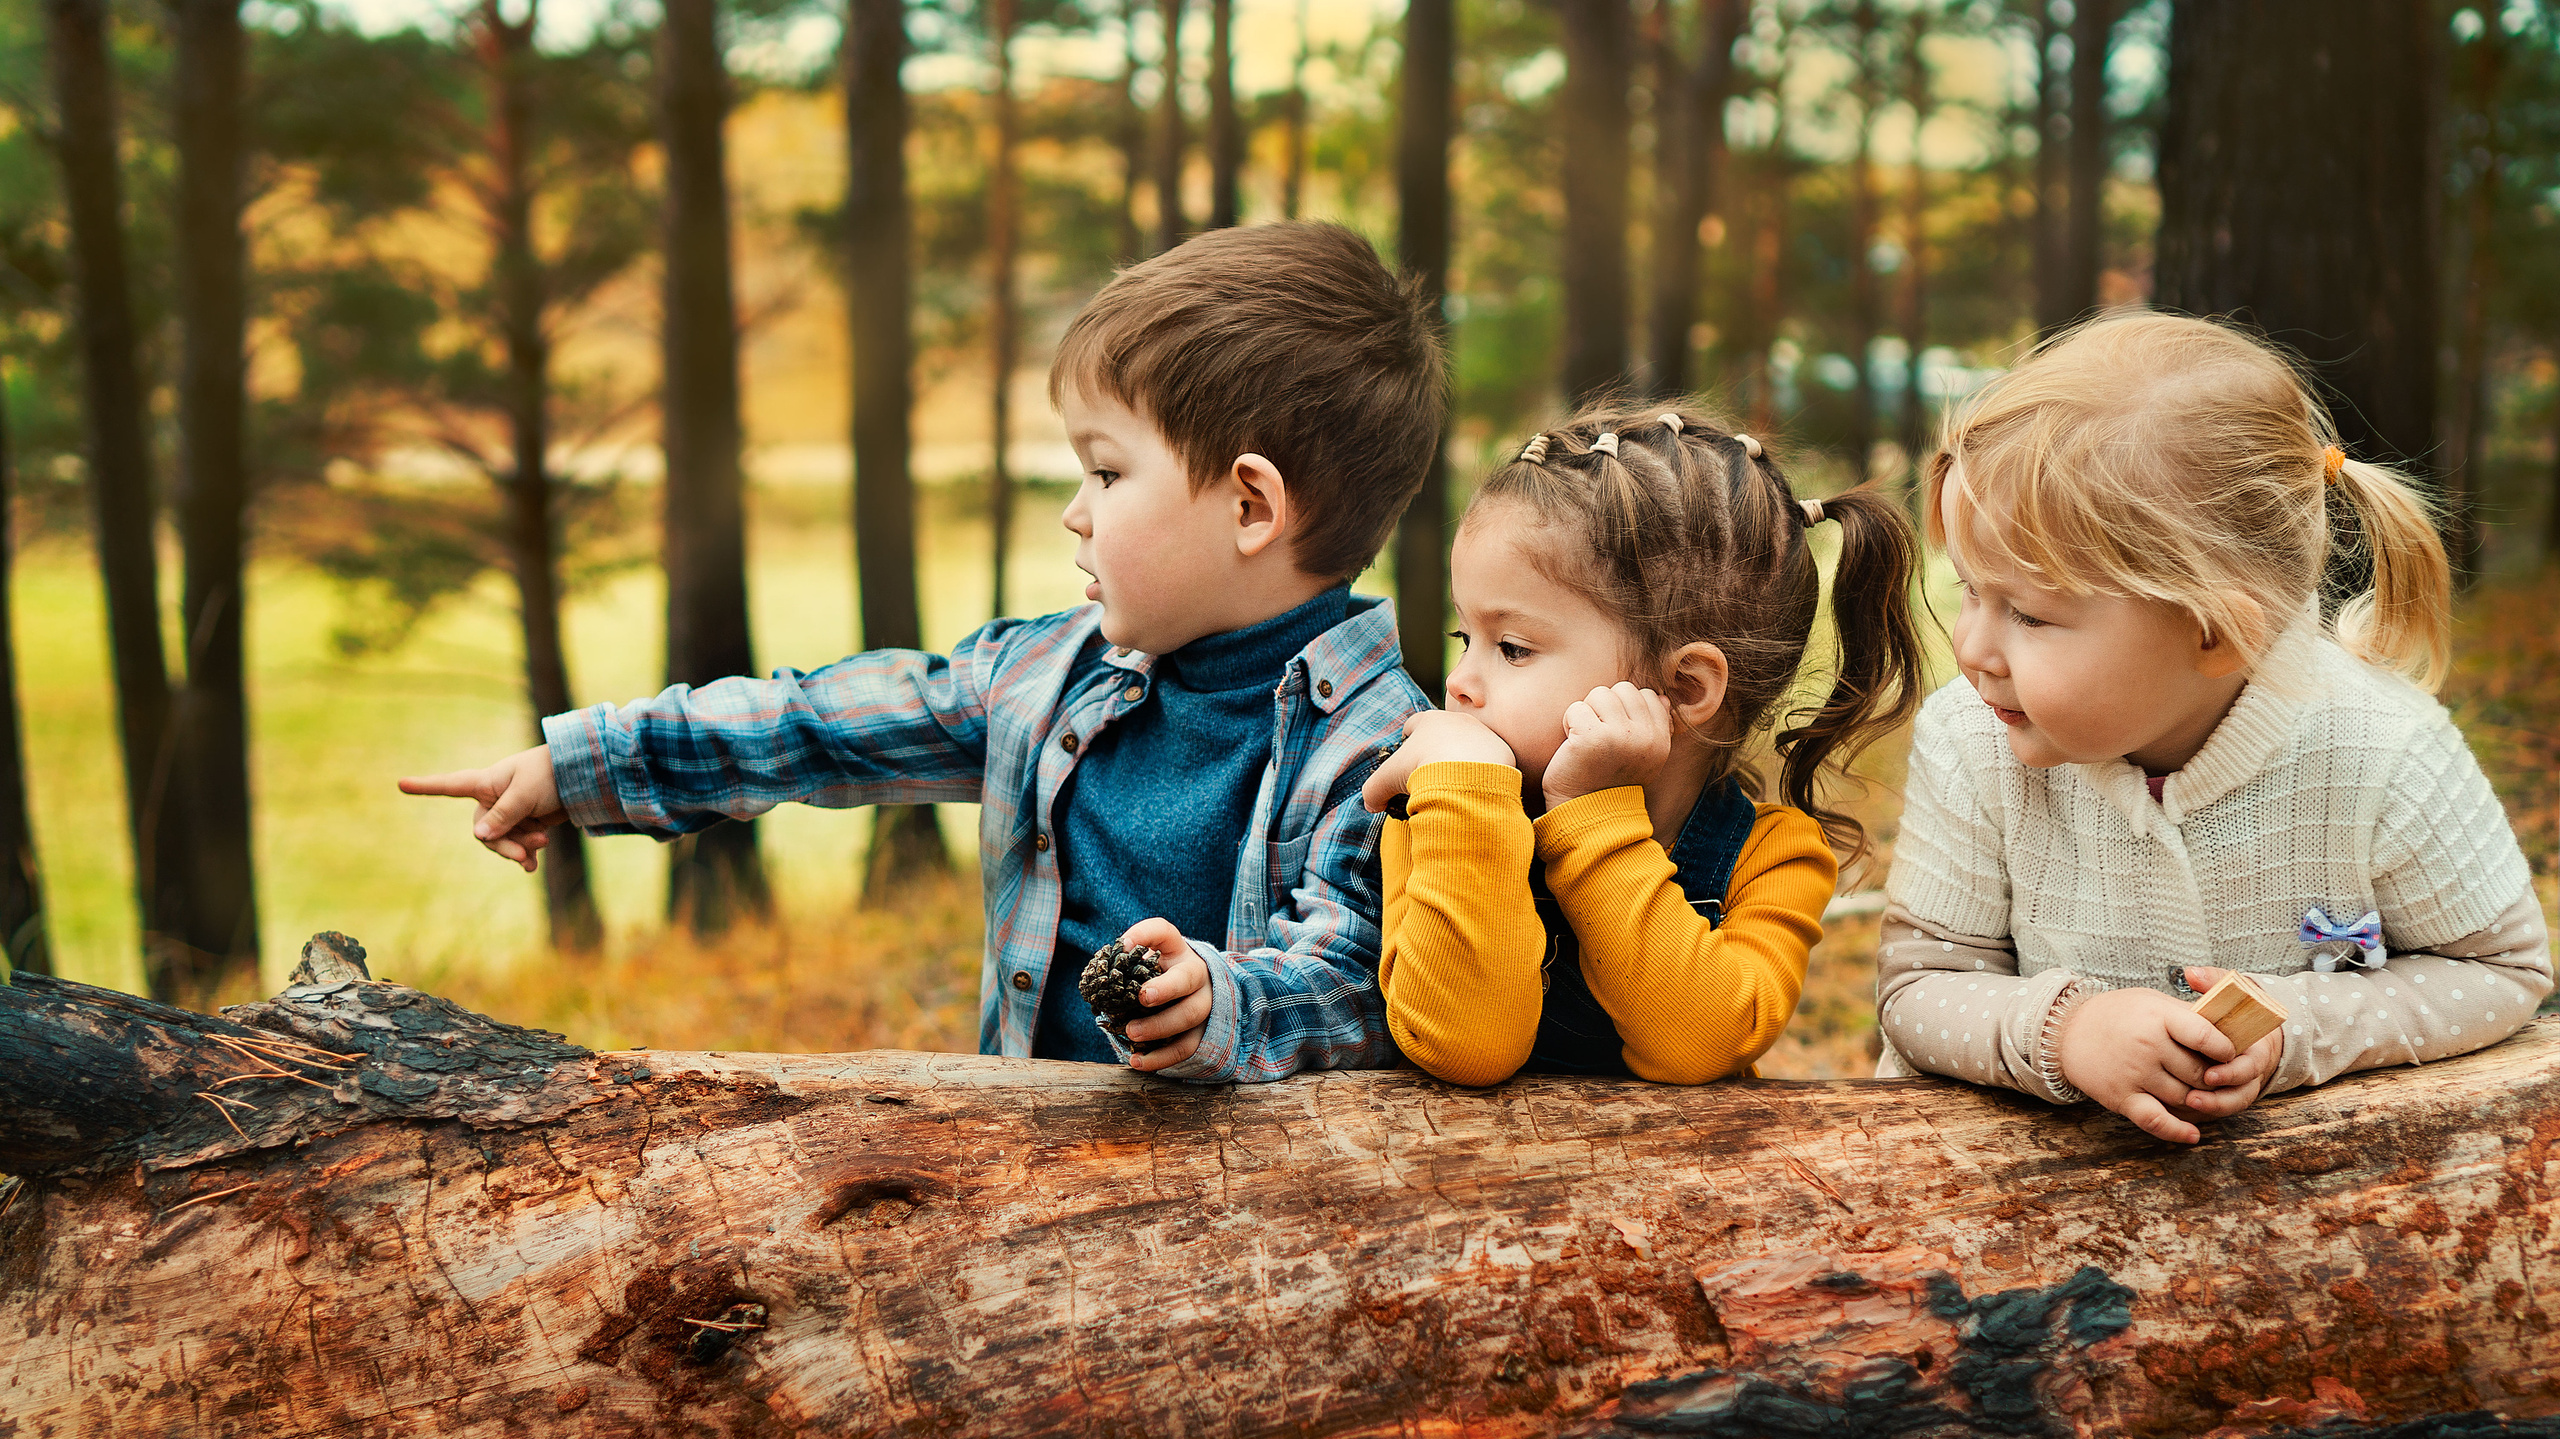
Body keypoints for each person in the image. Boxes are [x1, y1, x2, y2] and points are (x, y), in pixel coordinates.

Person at [400, 223, 1444, 1082]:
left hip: (1249, 1233)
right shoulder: (1046, 679)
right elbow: (819, 727)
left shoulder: (1382, 751)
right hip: (1015, 1172)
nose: (1076, 515)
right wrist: (583, 768)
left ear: (1250, 504)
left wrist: (1221, 1003)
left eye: (1108, 474)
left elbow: (1359, 980)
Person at [1881, 309, 2553, 1144]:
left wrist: (2295, 1026)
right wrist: (2065, 1030)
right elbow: (1920, 986)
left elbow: (2499, 968)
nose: (1974, 646)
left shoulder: (2383, 751)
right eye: (1972, 591)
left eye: (2029, 614)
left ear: (2214, 634)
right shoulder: (1972, 740)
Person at [1359, 403, 1927, 1086]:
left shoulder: (1773, 861)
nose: (1458, 684)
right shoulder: (1447, 806)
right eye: (1464, 639)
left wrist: (1592, 818)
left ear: (1686, 688)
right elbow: (1466, 1045)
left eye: (1511, 647)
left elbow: (1698, 1044)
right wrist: (1465, 796)